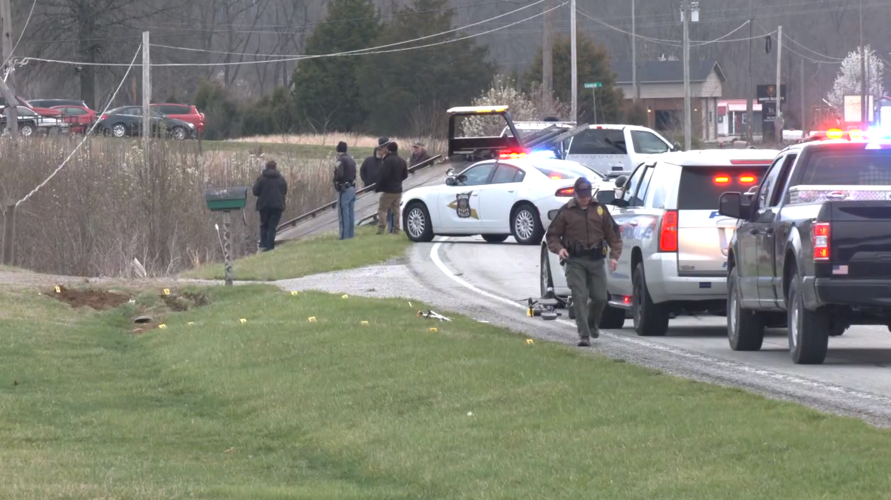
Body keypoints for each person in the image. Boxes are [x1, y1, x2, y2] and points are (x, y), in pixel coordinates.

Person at [545, 177, 623, 346]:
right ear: (575, 194)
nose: (585, 199)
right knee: (579, 296)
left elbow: (614, 235)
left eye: (587, 195)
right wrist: (559, 249)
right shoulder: (566, 211)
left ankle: (593, 322)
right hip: (575, 261)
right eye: (581, 196)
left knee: (600, 298)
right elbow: (552, 235)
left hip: (596, 260)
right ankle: (584, 335)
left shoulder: (600, 210)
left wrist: (614, 256)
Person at [252, 160, 288, 251]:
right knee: (272, 227)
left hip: (264, 206)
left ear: (266, 167)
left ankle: (263, 245)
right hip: (278, 206)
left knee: (264, 225)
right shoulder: (281, 179)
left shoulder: (261, 178)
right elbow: (285, 191)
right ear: (275, 167)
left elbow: (255, 192)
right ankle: (270, 247)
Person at [375, 141, 408, 235]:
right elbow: (405, 175)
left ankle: (381, 228)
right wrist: (398, 180)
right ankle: (396, 229)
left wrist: (378, 186)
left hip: (388, 190)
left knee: (382, 209)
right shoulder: (402, 161)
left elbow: (384, 175)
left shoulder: (387, 160)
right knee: (396, 210)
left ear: (388, 149)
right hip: (398, 189)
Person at [333, 141, 357, 240]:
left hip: (345, 189)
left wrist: (335, 180)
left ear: (338, 150)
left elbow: (340, 175)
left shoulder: (340, 160)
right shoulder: (352, 160)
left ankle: (343, 236)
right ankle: (351, 235)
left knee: (343, 214)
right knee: (351, 213)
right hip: (352, 188)